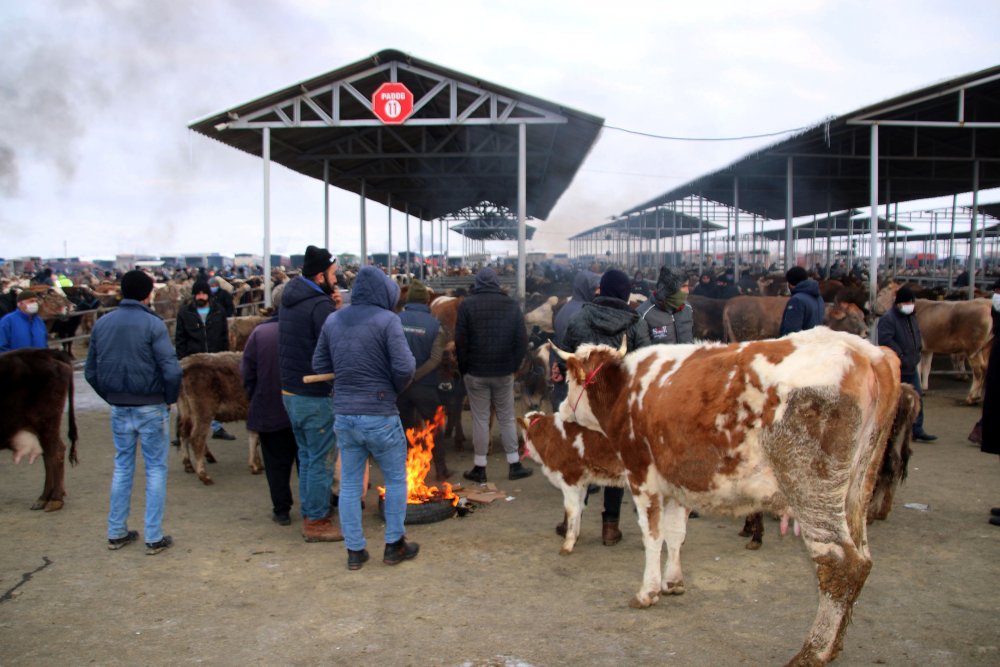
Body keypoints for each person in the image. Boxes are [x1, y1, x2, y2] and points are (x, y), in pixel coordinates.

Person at [312, 266, 417, 570]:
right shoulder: (388, 321)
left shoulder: (334, 319)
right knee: (396, 479)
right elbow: (405, 366)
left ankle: (355, 551)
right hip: (380, 412)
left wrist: (343, 388)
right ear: (384, 292)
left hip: (344, 414)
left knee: (349, 484)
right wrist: (392, 388)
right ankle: (394, 545)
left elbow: (319, 363)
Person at [85, 270, 182, 555]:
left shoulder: (102, 324)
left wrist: (111, 396)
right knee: (155, 469)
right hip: (151, 406)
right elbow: (172, 369)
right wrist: (168, 399)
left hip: (119, 407)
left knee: (122, 466)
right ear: (148, 293)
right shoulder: (153, 325)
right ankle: (153, 536)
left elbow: (91, 370)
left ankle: (116, 531)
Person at [561, 268, 651, 546]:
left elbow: (567, 360)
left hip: (584, 405)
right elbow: (644, 366)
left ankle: (570, 521)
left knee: (580, 460)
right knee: (616, 463)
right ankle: (610, 528)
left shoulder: (579, 319)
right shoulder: (635, 324)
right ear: (625, 293)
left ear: (601, 290)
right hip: (618, 407)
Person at [279, 245, 343, 542]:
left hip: (291, 392)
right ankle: (317, 521)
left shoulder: (292, 299)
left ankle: (310, 512)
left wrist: (332, 307)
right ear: (320, 276)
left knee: (307, 457)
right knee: (321, 460)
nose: (337, 279)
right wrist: (336, 312)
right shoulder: (320, 307)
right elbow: (336, 344)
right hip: (315, 393)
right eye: (332, 274)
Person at [457, 267, 533, 484]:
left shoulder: (467, 305)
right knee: (507, 416)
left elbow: (460, 340)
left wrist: (465, 369)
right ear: (496, 283)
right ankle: (514, 464)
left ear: (478, 283)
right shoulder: (511, 305)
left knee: (480, 418)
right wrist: (513, 365)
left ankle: (480, 467)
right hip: (503, 371)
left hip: (475, 372)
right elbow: (521, 340)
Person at [241, 310, 298, 526]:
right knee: (308, 462)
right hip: (302, 406)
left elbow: (247, 371)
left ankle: (281, 509)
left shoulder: (260, 333)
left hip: (269, 407)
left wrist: (254, 395)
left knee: (275, 463)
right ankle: (314, 509)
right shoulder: (303, 331)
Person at [396, 279, 450, 481]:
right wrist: (417, 376)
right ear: (427, 300)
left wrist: (405, 377)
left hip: (400, 386)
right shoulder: (435, 325)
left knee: (404, 429)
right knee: (435, 427)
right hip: (426, 386)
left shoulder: (395, 321)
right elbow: (436, 358)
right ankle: (441, 470)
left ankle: (406, 471)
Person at [175, 279, 235, 441]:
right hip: (194, 362)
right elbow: (180, 338)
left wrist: (224, 356)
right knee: (189, 396)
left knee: (215, 395)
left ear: (208, 294)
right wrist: (182, 360)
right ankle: (181, 431)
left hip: (214, 360)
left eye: (203, 293)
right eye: (198, 294)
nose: (201, 296)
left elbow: (224, 336)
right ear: (194, 295)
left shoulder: (218, 311)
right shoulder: (185, 313)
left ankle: (217, 428)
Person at [877, 286, 937, 442]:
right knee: (895, 399)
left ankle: (917, 429)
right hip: (897, 366)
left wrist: (917, 351)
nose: (910, 304)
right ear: (899, 303)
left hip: (911, 365)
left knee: (917, 397)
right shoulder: (888, 319)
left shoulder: (911, 317)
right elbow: (885, 340)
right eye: (907, 302)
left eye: (911, 301)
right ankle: (889, 430)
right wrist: (901, 355)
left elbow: (916, 335)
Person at [550, 269, 601, 408]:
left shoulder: (564, 309)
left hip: (562, 373)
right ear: (585, 288)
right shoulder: (585, 312)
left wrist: (555, 366)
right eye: (594, 288)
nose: (598, 292)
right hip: (577, 380)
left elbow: (556, 343)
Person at [637, 266, 694, 345]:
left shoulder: (687, 308)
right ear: (670, 288)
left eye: (688, 286)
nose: (687, 291)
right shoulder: (643, 314)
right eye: (683, 286)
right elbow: (642, 352)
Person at [779, 266, 825, 336]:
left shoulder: (797, 300)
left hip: (801, 344)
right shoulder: (819, 298)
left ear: (790, 284)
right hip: (815, 341)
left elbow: (791, 331)